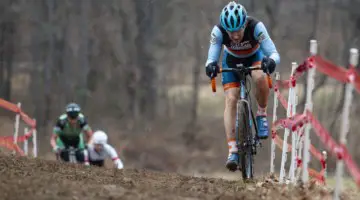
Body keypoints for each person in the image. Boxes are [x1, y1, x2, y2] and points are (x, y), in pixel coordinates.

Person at [205, 1, 280, 171]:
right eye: (231, 32)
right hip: (230, 59)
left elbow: (274, 53)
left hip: (254, 57)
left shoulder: (256, 27)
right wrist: (210, 66)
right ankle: (233, 150)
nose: (235, 36)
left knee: (259, 76)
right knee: (231, 99)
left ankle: (261, 114)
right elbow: (212, 56)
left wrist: (271, 61)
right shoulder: (218, 32)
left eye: (238, 30)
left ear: (245, 24)